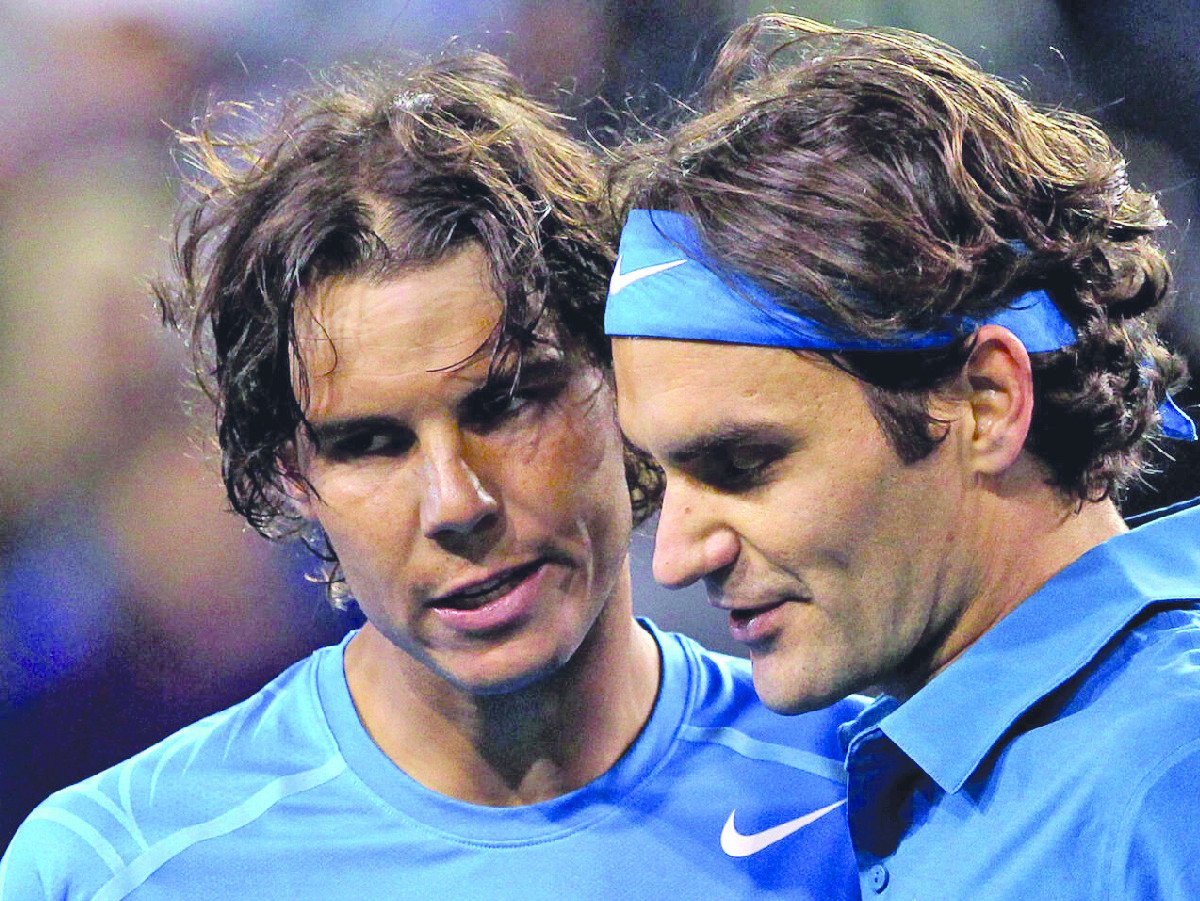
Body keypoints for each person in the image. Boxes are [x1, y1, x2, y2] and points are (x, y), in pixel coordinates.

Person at [0, 51, 866, 899]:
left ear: (622, 380)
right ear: (291, 479)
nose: (458, 502)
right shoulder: (109, 870)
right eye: (371, 444)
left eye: (507, 404)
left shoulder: (871, 794)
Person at [606, 15, 1200, 900]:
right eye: (662, 477)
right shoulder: (937, 763)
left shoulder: (1168, 777)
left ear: (985, 403)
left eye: (742, 464)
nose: (676, 556)